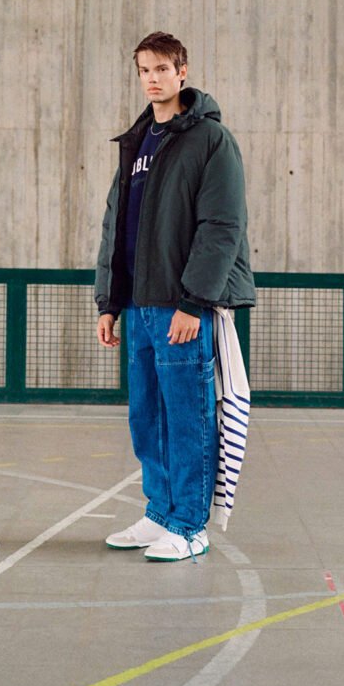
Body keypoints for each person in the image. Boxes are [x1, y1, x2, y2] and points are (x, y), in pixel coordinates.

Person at [95, 31, 255, 562]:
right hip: (140, 306)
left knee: (188, 417)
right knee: (147, 417)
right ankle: (159, 513)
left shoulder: (211, 140)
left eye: (163, 69)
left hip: (180, 304)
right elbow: (118, 226)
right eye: (145, 70)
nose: (153, 78)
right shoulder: (137, 142)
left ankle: (189, 526)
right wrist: (109, 301)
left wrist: (193, 302)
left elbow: (221, 227)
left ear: (182, 71)